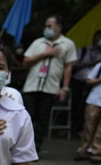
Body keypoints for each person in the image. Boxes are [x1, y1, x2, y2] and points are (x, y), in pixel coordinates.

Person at [20, 15, 77, 153]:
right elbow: (25, 61)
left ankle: (35, 149)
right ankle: (20, 147)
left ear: (59, 27)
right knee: (26, 117)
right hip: (32, 86)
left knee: (42, 120)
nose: (47, 29)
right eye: (45, 26)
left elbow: (68, 66)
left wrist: (65, 88)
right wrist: (45, 54)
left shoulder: (68, 44)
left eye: (49, 26)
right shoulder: (38, 43)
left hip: (51, 88)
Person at [70, 30, 101, 134]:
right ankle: (73, 128)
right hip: (79, 82)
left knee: (88, 108)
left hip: (96, 85)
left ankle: (84, 130)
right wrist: (91, 63)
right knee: (75, 105)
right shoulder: (83, 51)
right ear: (95, 38)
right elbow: (73, 66)